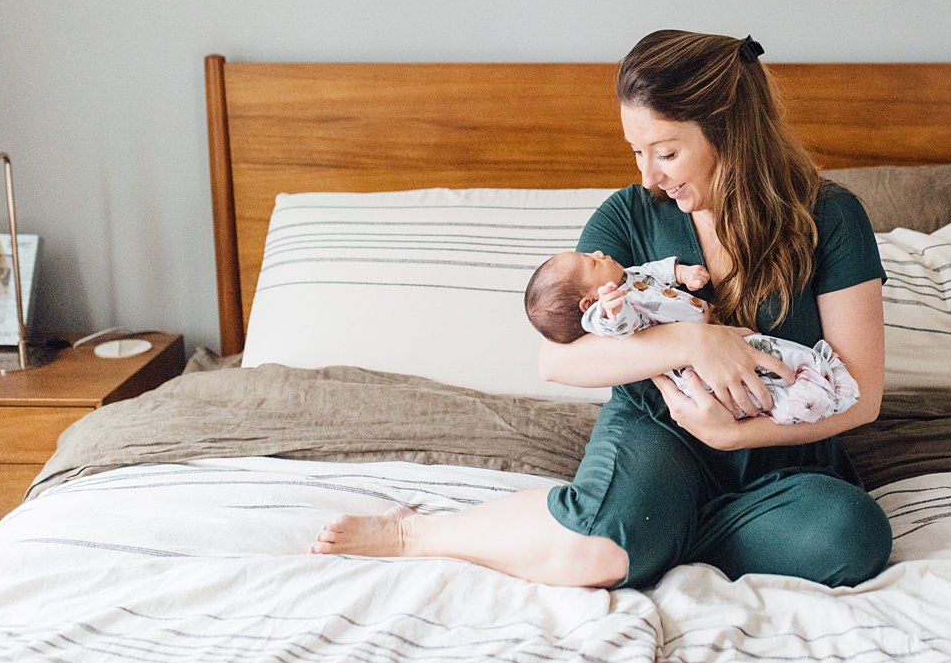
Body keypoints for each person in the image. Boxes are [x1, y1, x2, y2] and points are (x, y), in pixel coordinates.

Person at [311, 30, 892, 590]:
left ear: (732, 135)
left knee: (852, 538)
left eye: (666, 152)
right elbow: (558, 361)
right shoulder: (629, 214)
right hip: (659, 438)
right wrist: (693, 343)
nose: (648, 176)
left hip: (781, 454)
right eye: (637, 152)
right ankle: (418, 533)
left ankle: (649, 539)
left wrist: (734, 439)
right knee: (605, 545)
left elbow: (863, 395)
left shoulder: (832, 218)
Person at [523, 250, 860, 424]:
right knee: (759, 366)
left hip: (718, 334)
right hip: (695, 372)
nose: (598, 253)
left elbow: (655, 271)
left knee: (764, 357)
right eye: (590, 262)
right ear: (589, 301)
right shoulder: (612, 308)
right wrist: (610, 311)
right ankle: (809, 389)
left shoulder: (630, 275)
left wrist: (682, 273)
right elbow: (618, 329)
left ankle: (820, 375)